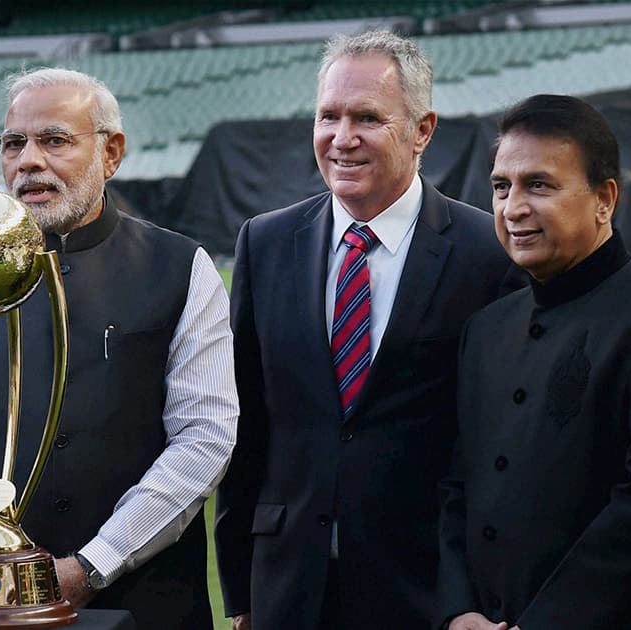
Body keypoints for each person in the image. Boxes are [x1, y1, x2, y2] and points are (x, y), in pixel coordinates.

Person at [0, 67, 238, 630]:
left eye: (54, 140)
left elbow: (204, 435)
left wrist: (93, 564)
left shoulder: (182, 267)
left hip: (148, 603)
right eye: (13, 143)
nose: (28, 160)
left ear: (112, 152)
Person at [214, 30, 523, 630]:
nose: (342, 138)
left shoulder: (488, 253)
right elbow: (247, 427)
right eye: (327, 116)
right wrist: (241, 591)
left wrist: (481, 598)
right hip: (288, 589)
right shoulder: (266, 242)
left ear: (422, 130)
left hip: (425, 590)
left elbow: (498, 447)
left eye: (367, 118)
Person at [436, 94, 631, 630]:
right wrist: (458, 610)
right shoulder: (485, 329)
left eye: (538, 184)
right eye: (501, 186)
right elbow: (457, 488)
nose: (512, 207)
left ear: (604, 199)